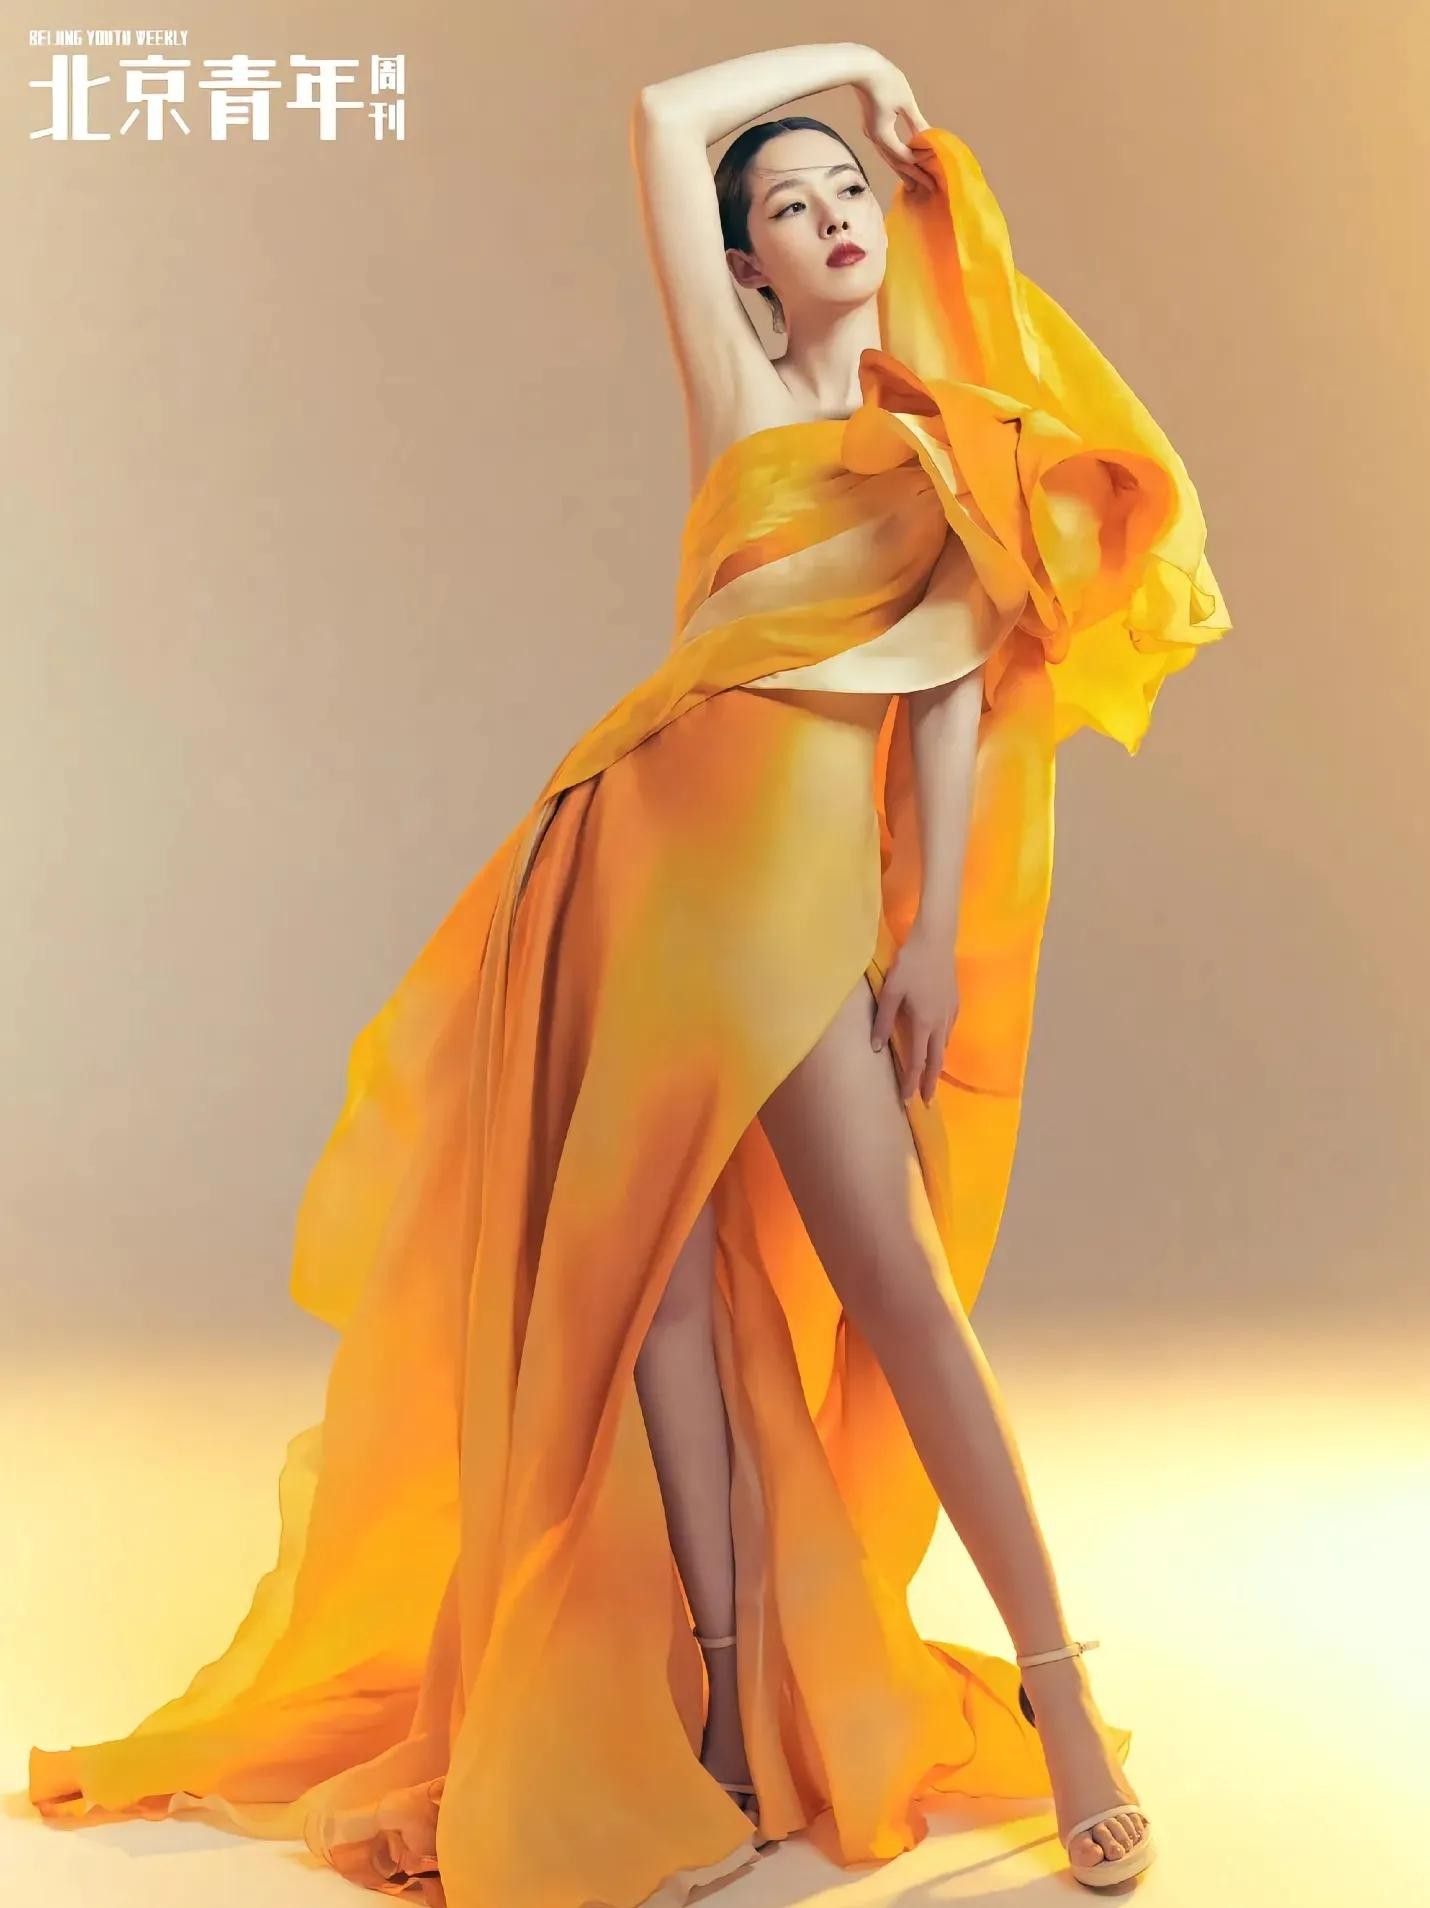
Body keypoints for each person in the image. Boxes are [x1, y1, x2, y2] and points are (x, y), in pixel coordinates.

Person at [28, 41, 1230, 1908]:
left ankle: (1061, 1701)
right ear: (748, 266)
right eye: (787, 208)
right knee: (654, 1304)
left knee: (898, 1291)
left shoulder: (957, 447)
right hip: (633, 874)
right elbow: (667, 118)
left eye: (845, 190)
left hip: (795, 908)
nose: (825, 220)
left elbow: (946, 711)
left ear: (884, 219)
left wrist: (924, 936)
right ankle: (728, 1722)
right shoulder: (739, 400)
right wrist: (856, 65)